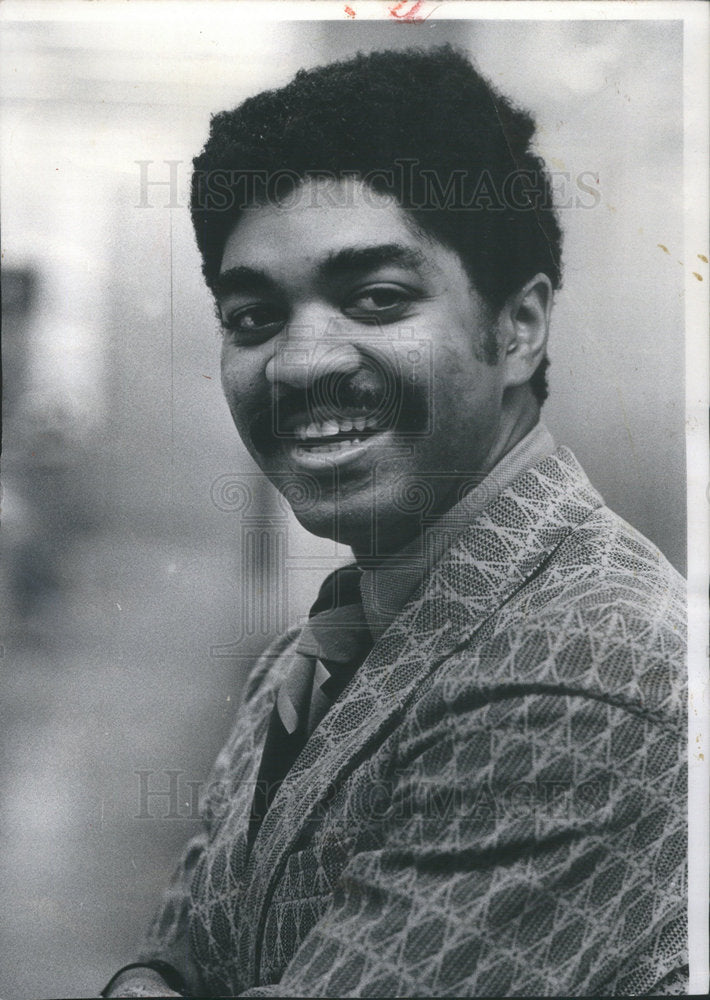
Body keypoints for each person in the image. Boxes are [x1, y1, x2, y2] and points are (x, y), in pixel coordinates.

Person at [103, 45, 686, 997]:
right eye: (253, 317)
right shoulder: (327, 641)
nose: (299, 365)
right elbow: (178, 950)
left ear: (519, 326)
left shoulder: (589, 663)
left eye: (376, 299)